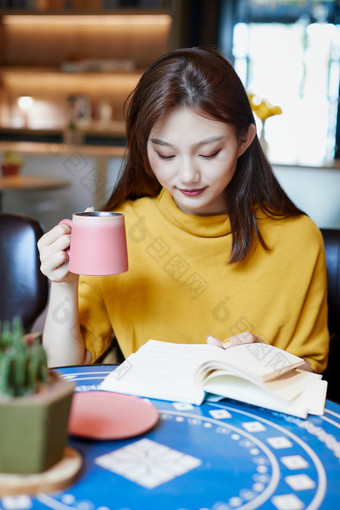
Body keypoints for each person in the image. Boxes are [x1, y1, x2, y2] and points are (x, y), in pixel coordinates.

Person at [38, 47, 329, 371]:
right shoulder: (124, 229)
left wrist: (266, 362)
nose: (188, 175)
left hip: (251, 419)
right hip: (151, 416)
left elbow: (312, 365)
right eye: (166, 155)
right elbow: (64, 366)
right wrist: (64, 284)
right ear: (143, 146)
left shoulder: (297, 239)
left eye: (209, 153)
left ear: (245, 140)